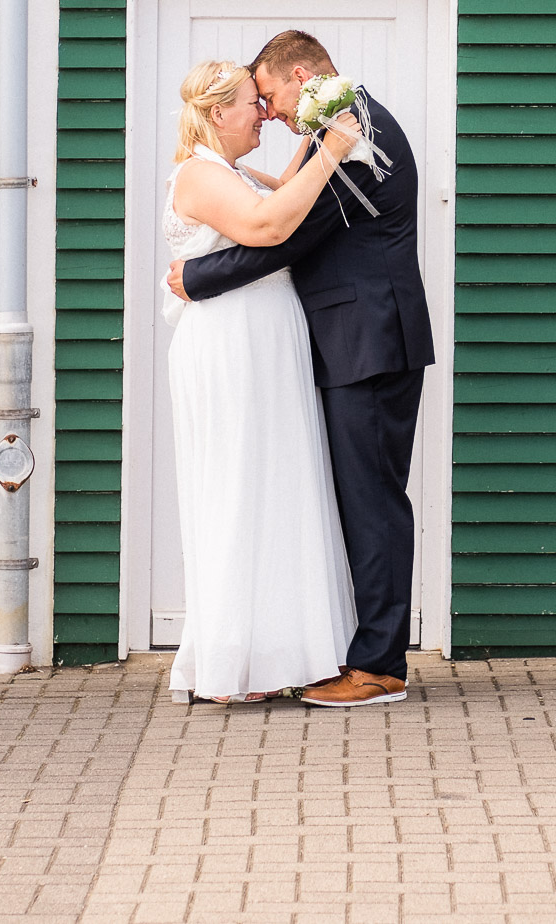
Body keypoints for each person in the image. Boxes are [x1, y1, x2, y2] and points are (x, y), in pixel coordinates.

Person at [168, 30, 434, 708]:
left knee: (372, 504)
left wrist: (196, 275)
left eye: (270, 95)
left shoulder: (353, 135)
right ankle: (359, 653)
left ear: (301, 74)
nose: (271, 112)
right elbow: (285, 206)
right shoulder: (345, 128)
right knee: (361, 500)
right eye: (255, 103)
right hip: (358, 340)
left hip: (368, 341)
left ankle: (378, 668)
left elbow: (284, 236)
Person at [162, 58, 360, 704]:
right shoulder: (198, 173)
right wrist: (331, 151)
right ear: (220, 113)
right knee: (236, 485)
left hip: (266, 343)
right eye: (253, 103)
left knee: (273, 486)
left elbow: (284, 199)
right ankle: (230, 661)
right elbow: (269, 226)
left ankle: (271, 652)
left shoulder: (233, 170)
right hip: (229, 346)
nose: (263, 115)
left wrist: (313, 133)